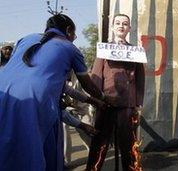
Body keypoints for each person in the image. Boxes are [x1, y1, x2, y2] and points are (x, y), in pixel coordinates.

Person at [0, 14, 105, 171]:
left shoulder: (25, 38)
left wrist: (92, 101)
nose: (74, 38)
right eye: (74, 35)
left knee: (7, 144)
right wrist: (102, 98)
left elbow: (64, 88)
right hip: (35, 103)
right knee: (33, 150)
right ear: (68, 30)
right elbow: (88, 85)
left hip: (4, 95)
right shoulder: (70, 48)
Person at [86, 14, 145, 171]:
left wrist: (138, 103)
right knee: (100, 142)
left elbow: (140, 78)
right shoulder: (104, 50)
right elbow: (96, 75)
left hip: (127, 105)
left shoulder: (136, 52)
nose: (121, 26)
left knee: (128, 144)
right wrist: (95, 101)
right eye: (118, 23)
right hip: (106, 103)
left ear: (129, 28)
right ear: (112, 27)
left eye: (125, 24)